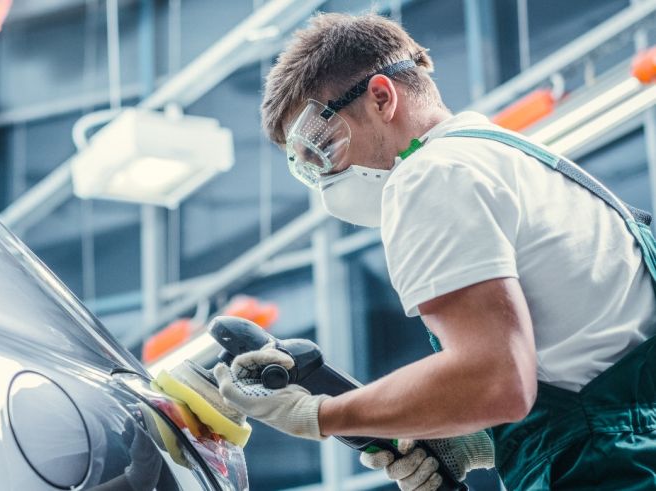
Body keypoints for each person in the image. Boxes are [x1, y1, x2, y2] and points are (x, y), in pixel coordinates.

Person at [212, 11, 656, 491]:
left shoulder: (428, 175)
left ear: (382, 97)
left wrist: (321, 413)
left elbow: (495, 381)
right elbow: (593, 354)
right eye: (308, 167)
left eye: (323, 147)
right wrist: (483, 439)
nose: (328, 179)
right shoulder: (517, 162)